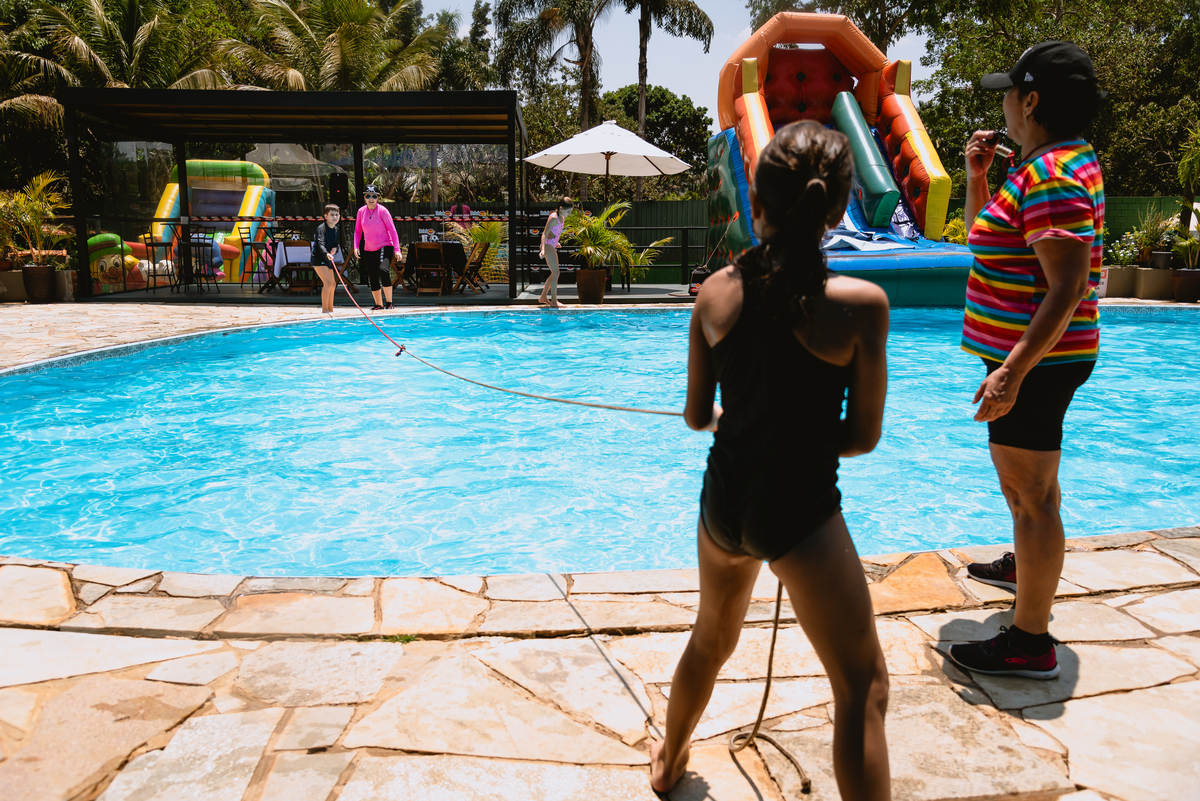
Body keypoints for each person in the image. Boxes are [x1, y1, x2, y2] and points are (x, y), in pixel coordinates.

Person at [650, 120, 892, 800]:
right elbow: (862, 434)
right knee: (863, 684)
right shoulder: (859, 308)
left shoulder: (714, 294)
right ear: (839, 208)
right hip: (799, 512)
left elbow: (700, 416)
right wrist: (797, 435)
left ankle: (668, 763)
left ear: (757, 203)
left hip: (722, 504)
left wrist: (747, 422)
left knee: (710, 638)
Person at [950, 42, 1105, 680]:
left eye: (1010, 93)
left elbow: (1067, 287)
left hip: (1037, 362)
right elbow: (983, 234)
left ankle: (1029, 642)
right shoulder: (1045, 165)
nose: (1005, 105)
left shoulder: (1049, 176)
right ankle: (1027, 560)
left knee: (1032, 493)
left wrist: (1012, 370)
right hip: (1032, 356)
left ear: (1032, 101)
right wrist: (979, 175)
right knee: (1029, 487)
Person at [353, 185, 400, 311]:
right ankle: (378, 304)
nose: (371, 199)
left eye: (374, 196)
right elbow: (358, 231)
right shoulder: (361, 211)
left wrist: (397, 250)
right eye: (368, 196)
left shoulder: (383, 211)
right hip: (369, 248)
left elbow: (393, 231)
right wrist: (356, 246)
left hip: (385, 245)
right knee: (372, 275)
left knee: (383, 269)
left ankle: (389, 302)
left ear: (378, 197)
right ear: (364, 197)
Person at [311, 204, 353, 314]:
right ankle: (325, 310)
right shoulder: (321, 228)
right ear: (326, 216)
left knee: (333, 284)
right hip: (319, 258)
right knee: (328, 283)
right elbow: (320, 244)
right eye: (332, 215)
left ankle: (330, 309)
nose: (335, 217)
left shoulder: (336, 229)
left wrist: (334, 250)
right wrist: (326, 253)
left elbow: (335, 244)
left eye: (336, 215)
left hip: (327, 258)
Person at [538, 196, 571, 308]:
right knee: (556, 273)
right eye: (568, 211)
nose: (569, 213)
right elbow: (544, 233)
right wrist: (542, 249)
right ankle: (553, 301)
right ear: (561, 208)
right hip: (547, 246)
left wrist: (556, 242)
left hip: (551, 245)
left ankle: (543, 297)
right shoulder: (554, 217)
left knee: (554, 273)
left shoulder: (562, 218)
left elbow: (553, 233)